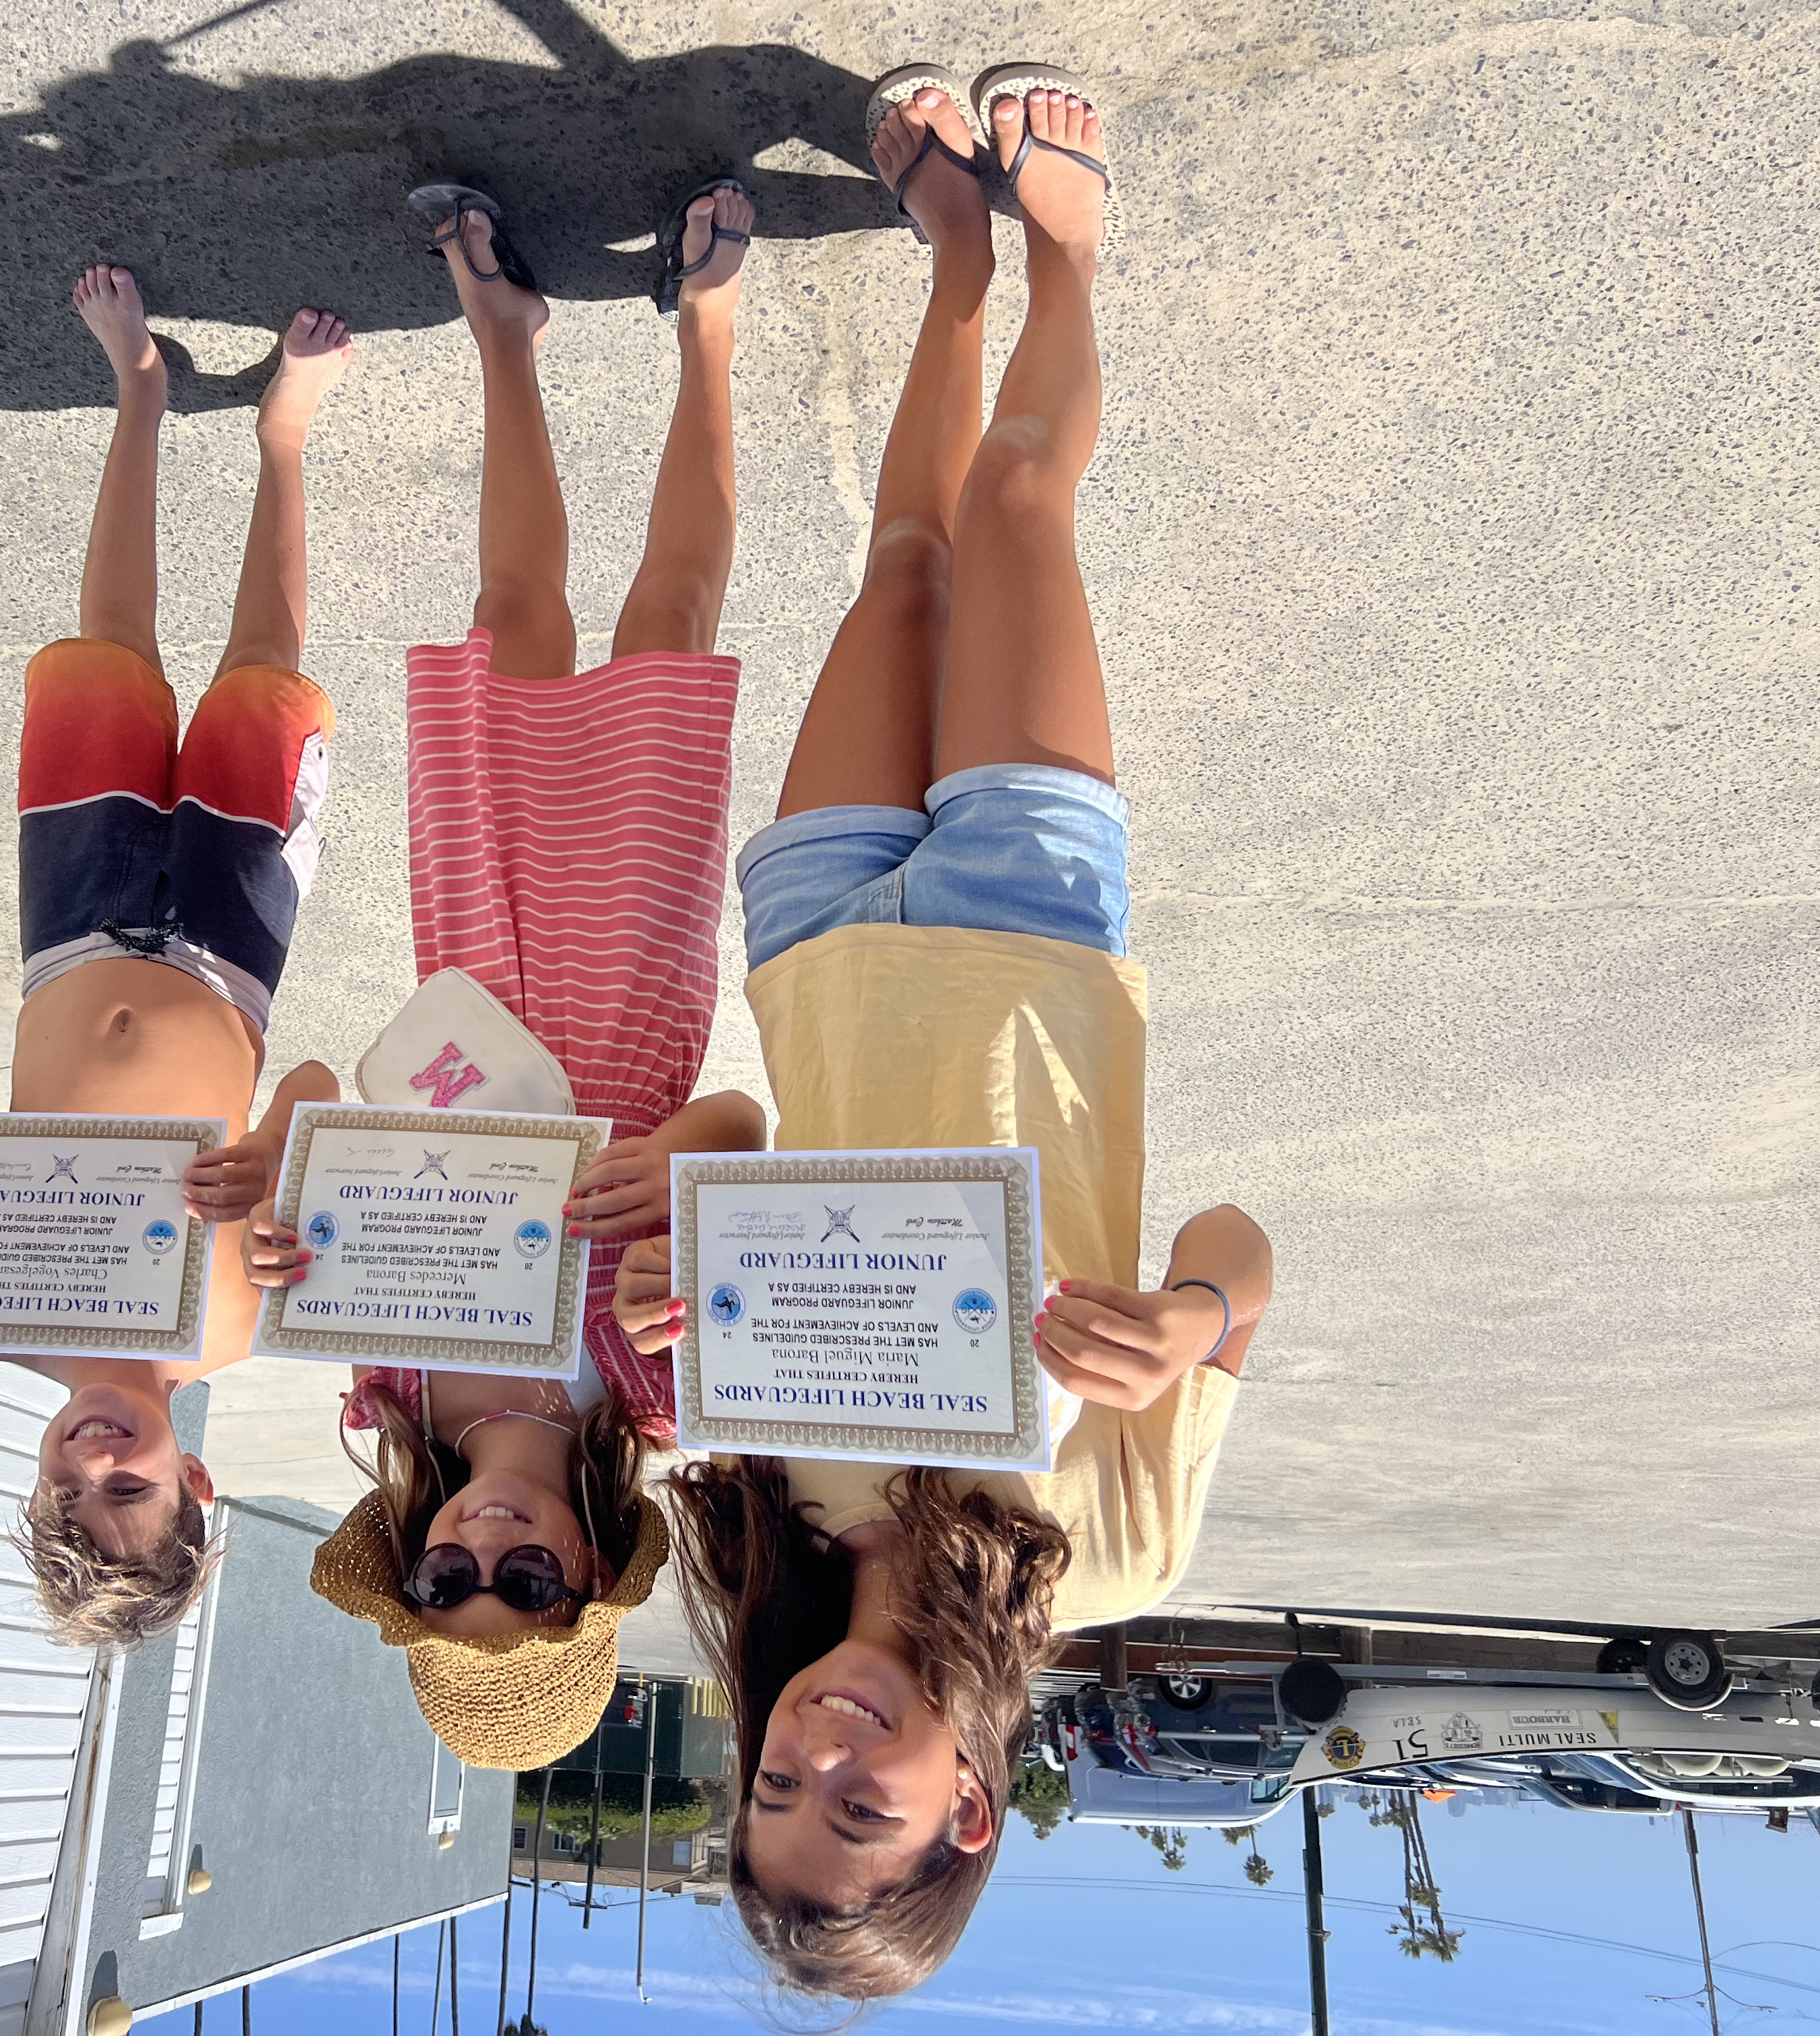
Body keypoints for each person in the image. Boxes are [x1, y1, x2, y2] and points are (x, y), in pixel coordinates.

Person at [610, 72, 1275, 2000]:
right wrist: (1192, 1326)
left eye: (773, 1784)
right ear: (968, 1808)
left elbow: (748, 1144)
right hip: (1031, 945)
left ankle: (961, 259)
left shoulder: (766, 1516)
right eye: (858, 1808)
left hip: (818, 953)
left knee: (903, 561)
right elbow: (1238, 1242)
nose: (816, 1753)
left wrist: (684, 1222)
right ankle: (1068, 252)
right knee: (1016, 507)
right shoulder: (1115, 1559)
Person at [300, 178, 768, 1771]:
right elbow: (743, 1124)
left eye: (449, 1590)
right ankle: (708, 335)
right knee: (669, 623)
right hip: (630, 998)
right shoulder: (660, 1393)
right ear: (593, 1572)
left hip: (473, 984)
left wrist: (288, 1190)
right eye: (532, 1591)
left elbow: (319, 1111)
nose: (488, 1560)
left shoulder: (377, 1376)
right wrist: (675, 1164)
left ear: (411, 1566)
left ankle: (505, 337)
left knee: (506, 621)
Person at [0, 267, 356, 1651]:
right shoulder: (244, 1323)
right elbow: (313, 1079)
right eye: (128, 1490)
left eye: (65, 1486)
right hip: (231, 946)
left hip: (72, 920)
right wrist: (284, 1152)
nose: (93, 1460)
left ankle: (138, 395)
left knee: (112, 647)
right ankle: (282, 437)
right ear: (195, 1479)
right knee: (262, 666)